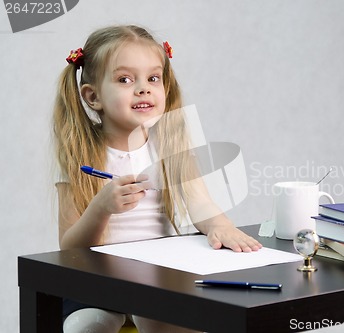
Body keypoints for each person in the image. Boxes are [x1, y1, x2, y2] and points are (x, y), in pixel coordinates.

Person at [53, 25, 262, 333]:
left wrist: (220, 226)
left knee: (172, 318)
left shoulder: (170, 146)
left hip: (156, 278)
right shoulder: (80, 155)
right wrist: (101, 208)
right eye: (125, 79)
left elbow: (200, 203)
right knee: (87, 325)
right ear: (92, 96)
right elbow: (68, 249)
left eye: (153, 78)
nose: (143, 88)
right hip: (95, 284)